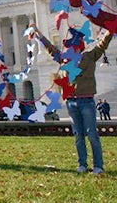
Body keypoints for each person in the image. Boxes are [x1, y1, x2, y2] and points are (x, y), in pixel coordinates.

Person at [33, 25, 112, 175]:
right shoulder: (65, 60)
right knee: (78, 135)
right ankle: (82, 164)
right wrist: (39, 35)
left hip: (86, 100)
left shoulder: (88, 56)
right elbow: (51, 49)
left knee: (92, 134)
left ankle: (98, 166)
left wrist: (110, 29)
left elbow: (102, 44)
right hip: (71, 102)